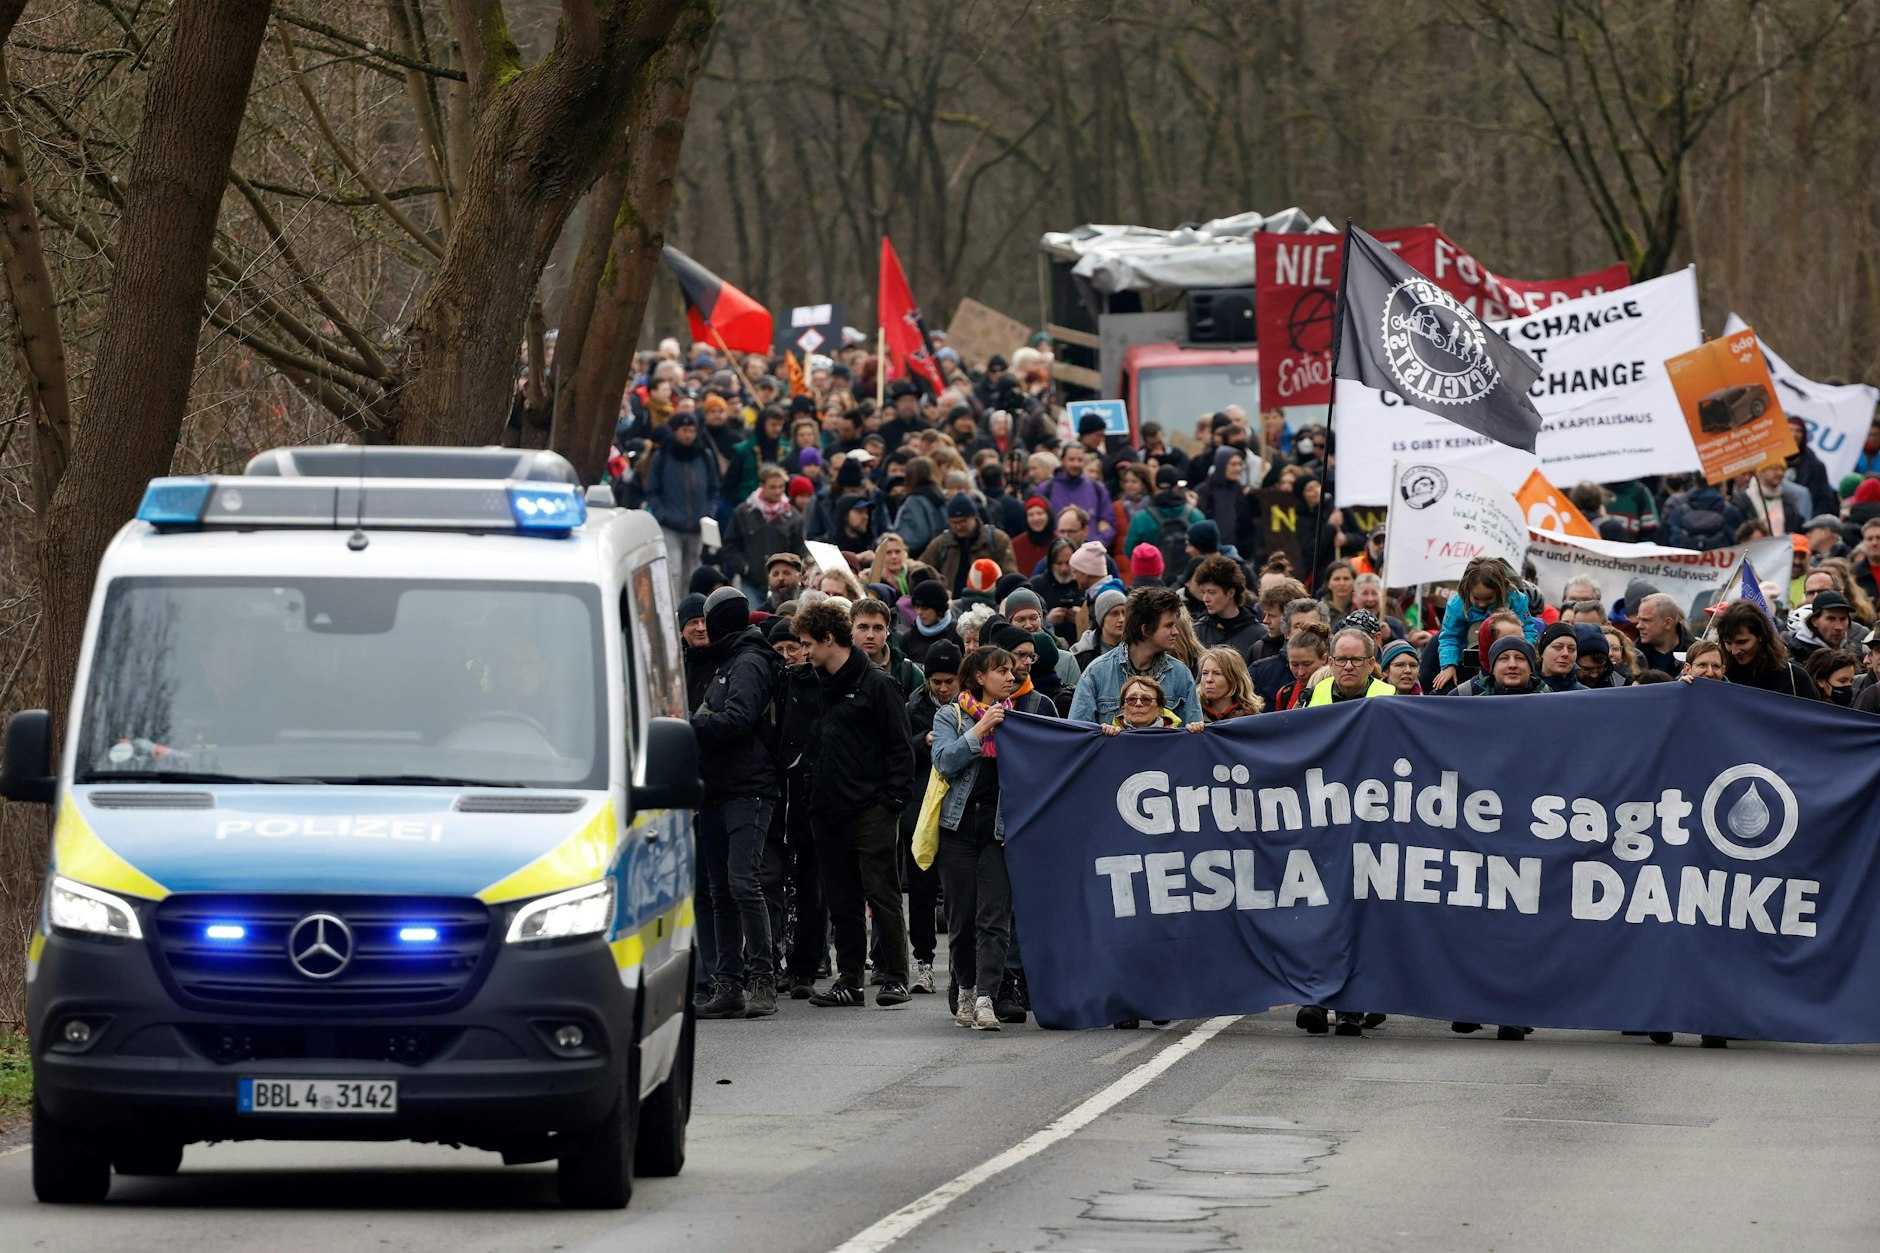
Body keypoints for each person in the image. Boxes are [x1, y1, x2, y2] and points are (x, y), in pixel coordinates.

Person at [793, 601, 918, 1007]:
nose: (804, 651)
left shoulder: (877, 685)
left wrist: (892, 802)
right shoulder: (813, 684)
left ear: (829, 639)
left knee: (882, 893)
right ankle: (849, 980)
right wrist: (811, 794)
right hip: (826, 811)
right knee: (842, 899)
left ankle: (895, 976)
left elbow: (900, 748)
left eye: (808, 643)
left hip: (871, 809)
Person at [689, 589, 783, 1020]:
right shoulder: (726, 659)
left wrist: (693, 724)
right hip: (717, 789)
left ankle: (762, 979)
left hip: (749, 788)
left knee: (743, 883)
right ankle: (728, 984)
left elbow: (739, 719)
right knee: (721, 891)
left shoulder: (748, 661)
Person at [931, 646, 1021, 1031]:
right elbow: (944, 761)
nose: (1011, 677)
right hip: (957, 829)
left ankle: (986, 998)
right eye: (1002, 671)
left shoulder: (1019, 719)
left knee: (994, 920)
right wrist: (981, 729)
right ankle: (965, 990)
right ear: (980, 677)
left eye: (1012, 671)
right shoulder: (950, 715)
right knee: (962, 918)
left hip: (999, 832)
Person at [901, 640, 962, 999]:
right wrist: (921, 741)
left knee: (957, 893)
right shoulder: (913, 706)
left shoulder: (970, 707)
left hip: (957, 809)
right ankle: (923, 962)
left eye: (949, 681)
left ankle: (959, 962)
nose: (942, 688)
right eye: (936, 681)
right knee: (921, 891)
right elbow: (896, 750)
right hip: (920, 808)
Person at [1070, 587, 1203, 726]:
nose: (1176, 632)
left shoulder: (1181, 675)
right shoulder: (1096, 673)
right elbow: (1078, 732)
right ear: (1145, 630)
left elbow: (1195, 734)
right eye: (1169, 626)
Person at [644, 412, 722, 598]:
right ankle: (674, 608)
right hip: (671, 525)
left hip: (697, 526)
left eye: (692, 430)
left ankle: (692, 607)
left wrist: (709, 511)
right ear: (676, 431)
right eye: (684, 430)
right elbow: (652, 489)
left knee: (693, 571)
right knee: (674, 570)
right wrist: (662, 514)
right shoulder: (663, 455)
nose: (688, 435)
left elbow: (714, 488)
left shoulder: (704, 455)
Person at [1435, 557, 1540, 692]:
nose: (1482, 604)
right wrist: (1449, 665)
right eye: (1476, 598)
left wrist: (1523, 656)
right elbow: (1450, 637)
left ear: (1501, 589)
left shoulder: (1516, 599)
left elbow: (1528, 630)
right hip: (1468, 662)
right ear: (1467, 590)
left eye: (1489, 598)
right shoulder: (1457, 604)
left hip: (1507, 657)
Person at [722, 465, 809, 603]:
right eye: (773, 487)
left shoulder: (792, 516)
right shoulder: (743, 513)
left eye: (781, 487)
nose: (778, 491)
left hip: (783, 586)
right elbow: (729, 544)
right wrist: (743, 567)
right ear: (762, 486)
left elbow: (799, 549)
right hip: (752, 582)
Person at [1714, 599, 1820, 698]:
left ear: (1760, 636)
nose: (1734, 651)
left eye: (1742, 642)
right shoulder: (1719, 677)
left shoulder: (1795, 678)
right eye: (1728, 643)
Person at [921, 493, 1018, 595]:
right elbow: (923, 568)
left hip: (988, 599)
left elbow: (1009, 574)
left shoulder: (997, 540)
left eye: (963, 521)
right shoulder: (941, 543)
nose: (958, 527)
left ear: (974, 517)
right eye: (954, 522)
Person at [1042, 440, 1116, 548]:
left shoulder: (1098, 489)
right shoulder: (1046, 489)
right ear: (1062, 459)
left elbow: (1108, 524)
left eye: (1079, 460)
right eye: (1071, 459)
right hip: (1056, 552)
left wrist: (1094, 546)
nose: (1076, 464)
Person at [1190, 554, 1266, 660]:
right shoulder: (1197, 632)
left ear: (1231, 593)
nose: (1205, 599)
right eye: (1203, 592)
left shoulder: (1259, 634)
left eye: (1211, 592)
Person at [852, 597, 925, 698]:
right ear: (850, 629)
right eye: (863, 627)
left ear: (887, 631)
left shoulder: (909, 673)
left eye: (878, 628)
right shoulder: (837, 668)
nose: (870, 635)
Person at [1309, 628, 1394, 704]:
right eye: (1341, 660)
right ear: (1331, 664)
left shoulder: (1390, 697)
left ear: (1370, 664)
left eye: (1356, 660)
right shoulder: (1313, 694)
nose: (1348, 667)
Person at [1188, 646, 1263, 727]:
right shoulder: (1190, 715)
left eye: (1217, 673)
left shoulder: (1253, 719)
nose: (1209, 679)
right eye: (1205, 673)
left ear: (1234, 678)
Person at [1452, 635, 1548, 697]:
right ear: (1493, 669)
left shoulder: (1548, 704)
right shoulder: (1475, 706)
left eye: (1520, 658)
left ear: (1531, 668)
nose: (1512, 665)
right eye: (1504, 658)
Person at [902, 580, 963, 667]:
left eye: (925, 608)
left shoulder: (958, 634)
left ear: (939, 609)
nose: (919, 612)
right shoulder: (908, 638)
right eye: (917, 607)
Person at [1632, 594, 1693, 677]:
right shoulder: (1631, 655)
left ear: (1668, 623)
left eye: (1646, 620)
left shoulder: (1696, 654)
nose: (1639, 626)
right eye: (1639, 620)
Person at [1272, 624, 1330, 711]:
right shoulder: (1284, 694)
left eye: (1307, 664)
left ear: (1324, 659)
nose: (1300, 673)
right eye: (1294, 665)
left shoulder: (1340, 689)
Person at [1784, 590, 1854, 660]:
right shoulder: (1798, 656)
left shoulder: (1851, 650)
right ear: (1814, 621)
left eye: (1843, 619)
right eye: (1831, 619)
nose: (1838, 627)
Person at [1100, 674, 1183, 731]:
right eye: (1131, 699)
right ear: (1123, 709)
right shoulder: (1110, 736)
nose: (1138, 703)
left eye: (1146, 699)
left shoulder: (1177, 738)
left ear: (1159, 709)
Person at [1072, 588, 1128, 670]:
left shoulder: (1138, 647)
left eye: (1124, 613)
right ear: (1101, 618)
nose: (1121, 619)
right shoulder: (1085, 652)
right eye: (1114, 614)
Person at [1535, 623, 1588, 692]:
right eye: (1558, 647)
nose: (1565, 654)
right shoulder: (1527, 691)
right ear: (1542, 652)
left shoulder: (1585, 694)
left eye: (1571, 649)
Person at [1012, 495, 1057, 575]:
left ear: (1048, 515)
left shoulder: (1058, 542)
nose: (1036, 518)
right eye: (1031, 515)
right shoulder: (1016, 544)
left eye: (1040, 513)